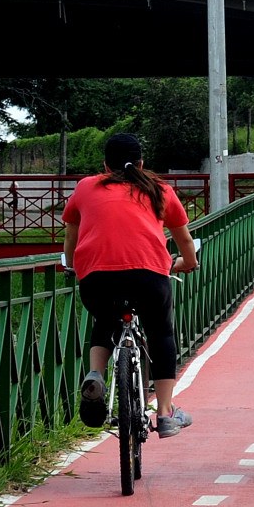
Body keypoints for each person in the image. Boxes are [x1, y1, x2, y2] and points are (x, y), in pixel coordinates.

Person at [61, 133, 199, 437]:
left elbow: (71, 236)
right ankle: (165, 412)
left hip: (97, 278)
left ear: (104, 165)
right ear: (141, 162)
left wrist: (71, 265)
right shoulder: (160, 189)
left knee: (105, 319)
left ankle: (96, 374)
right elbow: (184, 239)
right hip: (149, 275)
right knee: (161, 331)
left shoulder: (86, 187)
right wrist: (188, 262)